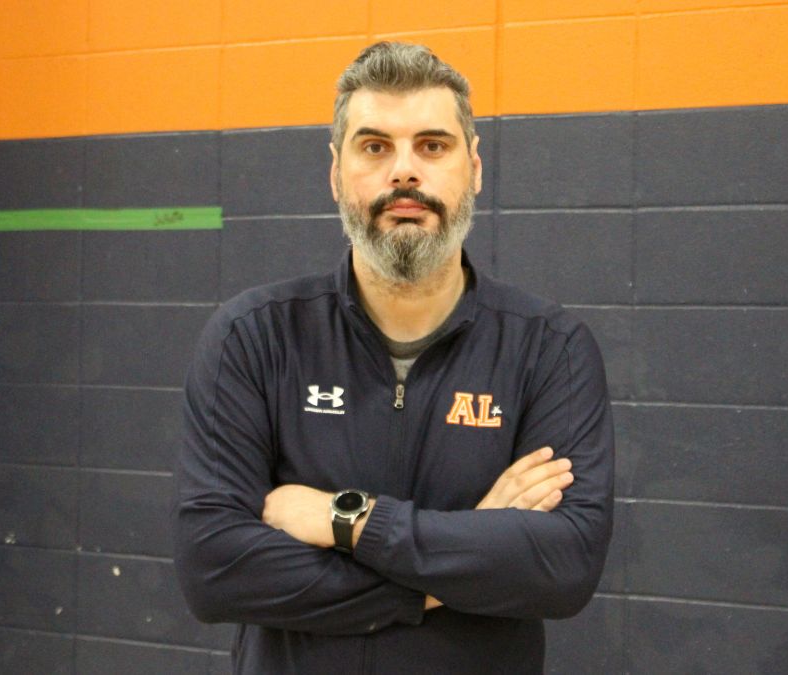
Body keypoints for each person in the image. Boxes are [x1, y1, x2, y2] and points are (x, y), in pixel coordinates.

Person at [174, 41, 614, 674]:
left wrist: (347, 522)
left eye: (432, 146)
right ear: (335, 172)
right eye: (374, 147)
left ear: (475, 169)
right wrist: (462, 561)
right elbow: (214, 569)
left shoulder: (549, 349)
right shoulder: (254, 338)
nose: (404, 172)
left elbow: (563, 567)